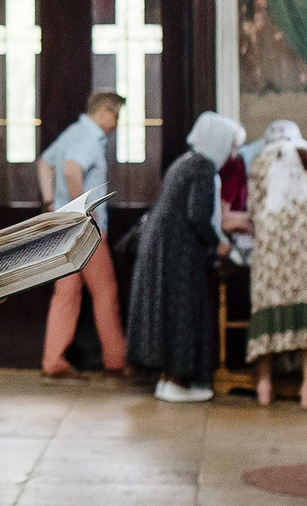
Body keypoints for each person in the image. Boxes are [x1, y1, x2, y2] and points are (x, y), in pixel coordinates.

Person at [127, 111, 246, 403]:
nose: (232, 154)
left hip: (164, 246)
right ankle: (177, 381)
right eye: (230, 145)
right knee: (181, 313)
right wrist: (218, 243)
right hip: (178, 251)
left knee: (167, 311)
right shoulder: (203, 168)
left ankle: (168, 380)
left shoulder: (186, 162)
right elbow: (198, 215)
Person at [245, 119, 307, 408]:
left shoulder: (261, 161)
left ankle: (264, 385)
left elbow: (253, 208)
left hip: (273, 246)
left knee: (268, 305)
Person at [36, 90, 128, 378]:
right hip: (84, 230)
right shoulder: (90, 138)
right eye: (117, 115)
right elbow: (71, 169)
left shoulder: (72, 133)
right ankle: (116, 361)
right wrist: (84, 211)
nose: (117, 123)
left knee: (66, 292)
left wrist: (51, 203)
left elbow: (44, 163)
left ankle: (53, 361)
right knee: (106, 292)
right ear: (105, 111)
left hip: (64, 228)